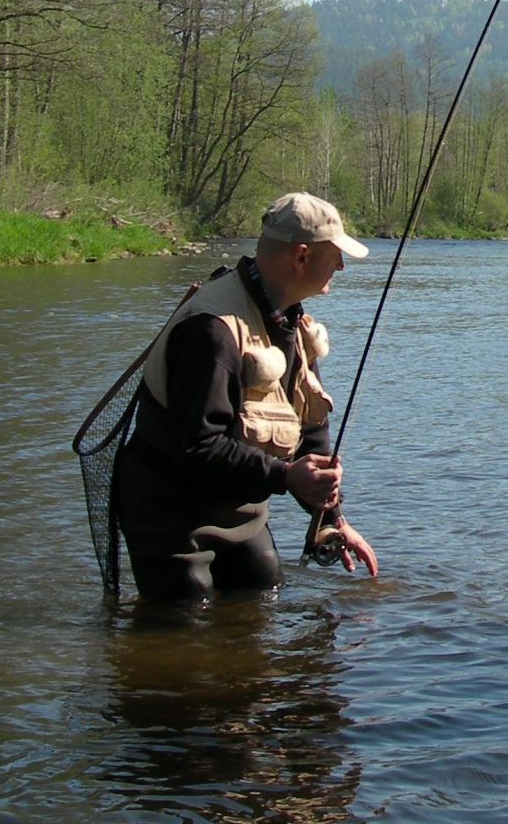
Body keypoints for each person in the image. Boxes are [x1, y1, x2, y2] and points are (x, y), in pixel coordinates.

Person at [114, 192, 379, 600]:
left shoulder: (291, 321)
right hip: (169, 509)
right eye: (335, 255)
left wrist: (331, 519)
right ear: (302, 257)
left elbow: (311, 431)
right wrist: (286, 476)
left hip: (239, 506)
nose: (341, 266)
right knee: (184, 620)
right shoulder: (211, 332)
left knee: (262, 595)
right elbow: (198, 448)